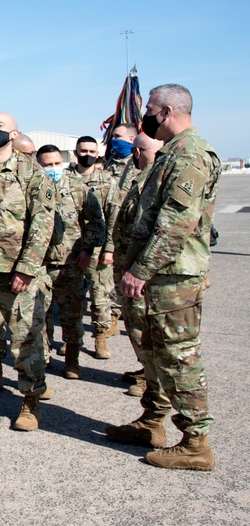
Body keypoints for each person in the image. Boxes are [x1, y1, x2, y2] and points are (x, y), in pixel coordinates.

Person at [116, 84, 220, 471]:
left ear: (167, 111)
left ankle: (196, 442)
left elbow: (176, 224)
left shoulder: (191, 154)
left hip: (173, 276)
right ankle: (152, 422)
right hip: (161, 274)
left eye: (152, 110)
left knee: (180, 357)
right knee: (157, 354)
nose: (146, 117)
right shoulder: (171, 153)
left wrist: (140, 271)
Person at [0, 113, 55, 431]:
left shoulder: (31, 173)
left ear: (14, 134)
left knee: (25, 338)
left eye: (0, 126)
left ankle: (30, 401)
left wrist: (28, 268)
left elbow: (42, 223)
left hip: (16, 273)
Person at [35, 144, 105, 379]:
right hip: (40, 265)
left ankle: (72, 361)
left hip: (71, 264)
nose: (53, 169)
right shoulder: (32, 188)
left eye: (56, 164)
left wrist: (88, 249)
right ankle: (43, 358)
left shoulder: (77, 189)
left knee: (72, 316)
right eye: (47, 165)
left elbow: (96, 221)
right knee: (39, 317)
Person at [104, 132, 164, 401]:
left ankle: (154, 382)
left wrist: (140, 269)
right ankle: (146, 370)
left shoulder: (159, 180)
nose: (135, 155)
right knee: (135, 321)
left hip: (145, 269)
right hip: (129, 262)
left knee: (143, 325)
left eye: (139, 150)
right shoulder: (141, 177)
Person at [63, 136, 116, 359]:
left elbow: (113, 215)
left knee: (99, 294)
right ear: (75, 153)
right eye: (83, 150)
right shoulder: (64, 179)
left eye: (92, 151)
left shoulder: (107, 180)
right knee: (70, 296)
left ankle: (100, 337)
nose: (87, 154)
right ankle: (73, 338)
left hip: (96, 247)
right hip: (70, 248)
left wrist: (109, 247)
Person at [101, 124, 140, 341]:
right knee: (112, 278)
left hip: (132, 232)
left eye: (117, 136)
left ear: (132, 139)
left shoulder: (139, 164)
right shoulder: (109, 164)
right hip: (112, 229)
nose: (113, 140)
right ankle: (113, 317)